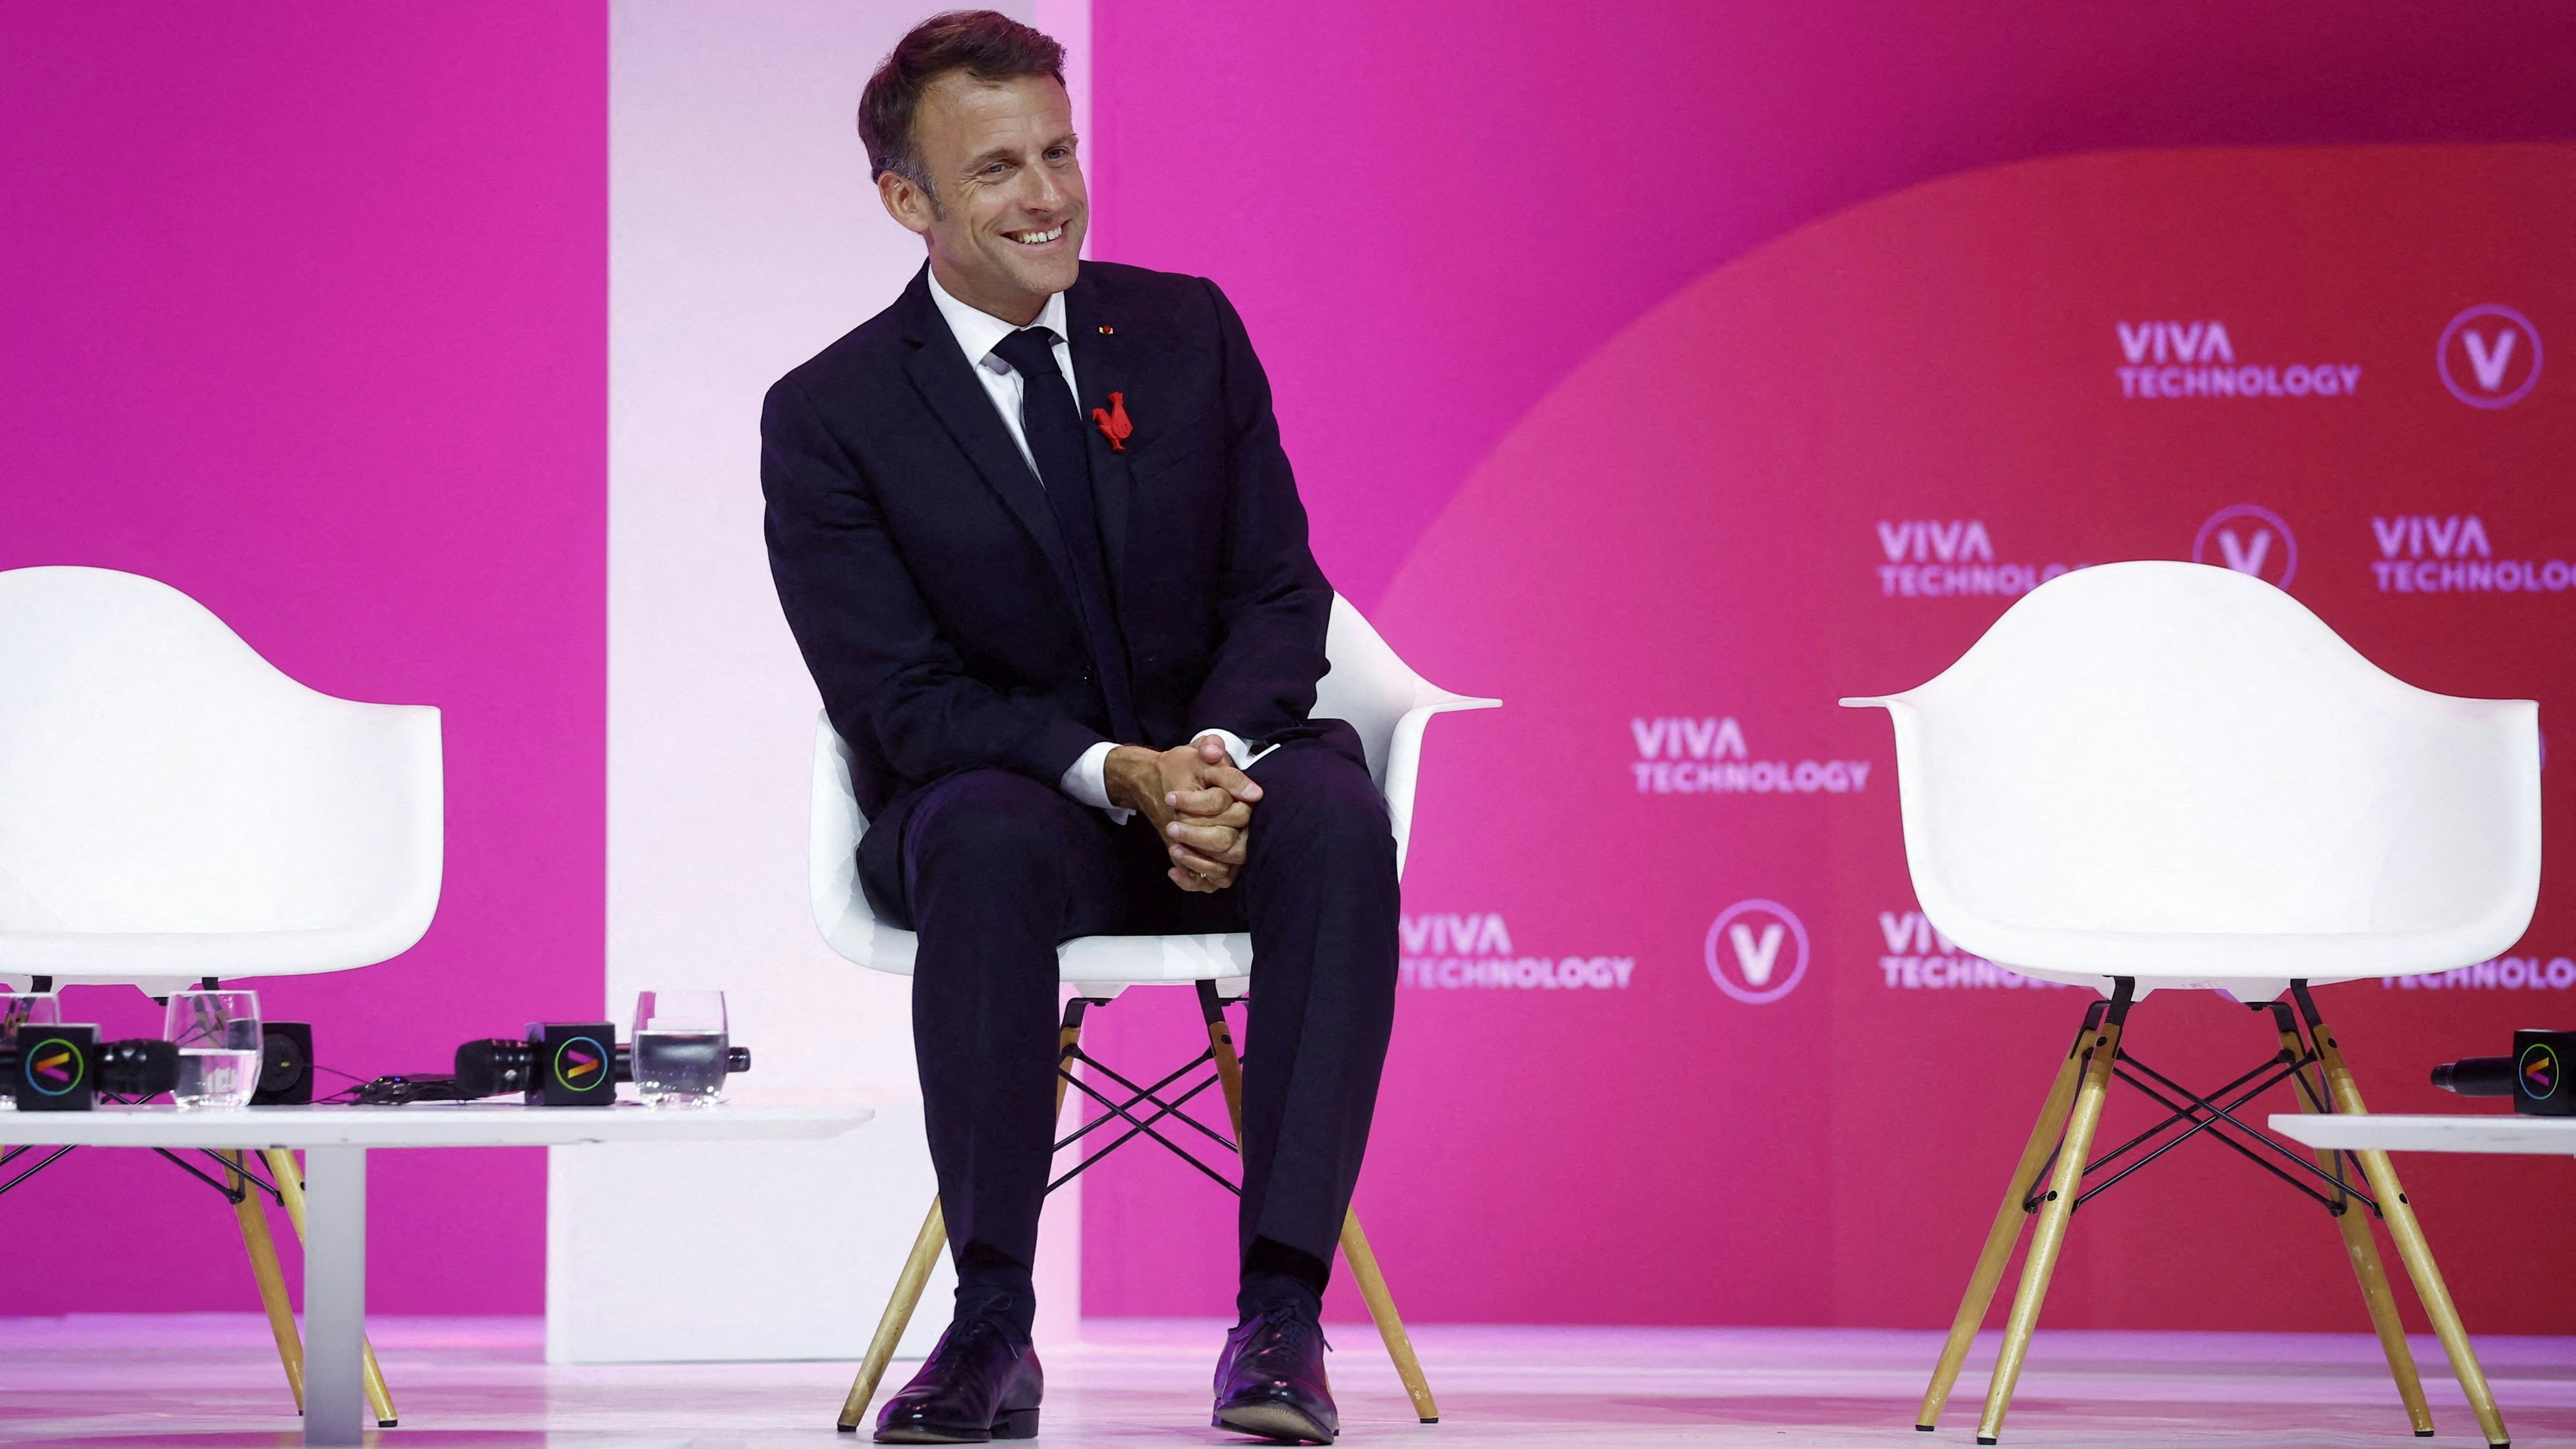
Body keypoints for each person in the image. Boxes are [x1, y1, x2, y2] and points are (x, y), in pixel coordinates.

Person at [761, 12, 1400, 1444]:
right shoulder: (831, 416)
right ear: (906, 204)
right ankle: (990, 1327)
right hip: (1012, 805)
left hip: (1218, 791)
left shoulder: (1184, 332)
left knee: (1341, 819)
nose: (1047, 193)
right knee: (983, 840)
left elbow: (1278, 589)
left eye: (1058, 150)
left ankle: (1282, 1319)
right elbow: (893, 695)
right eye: (996, 169)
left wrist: (1216, 762)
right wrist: (1116, 774)